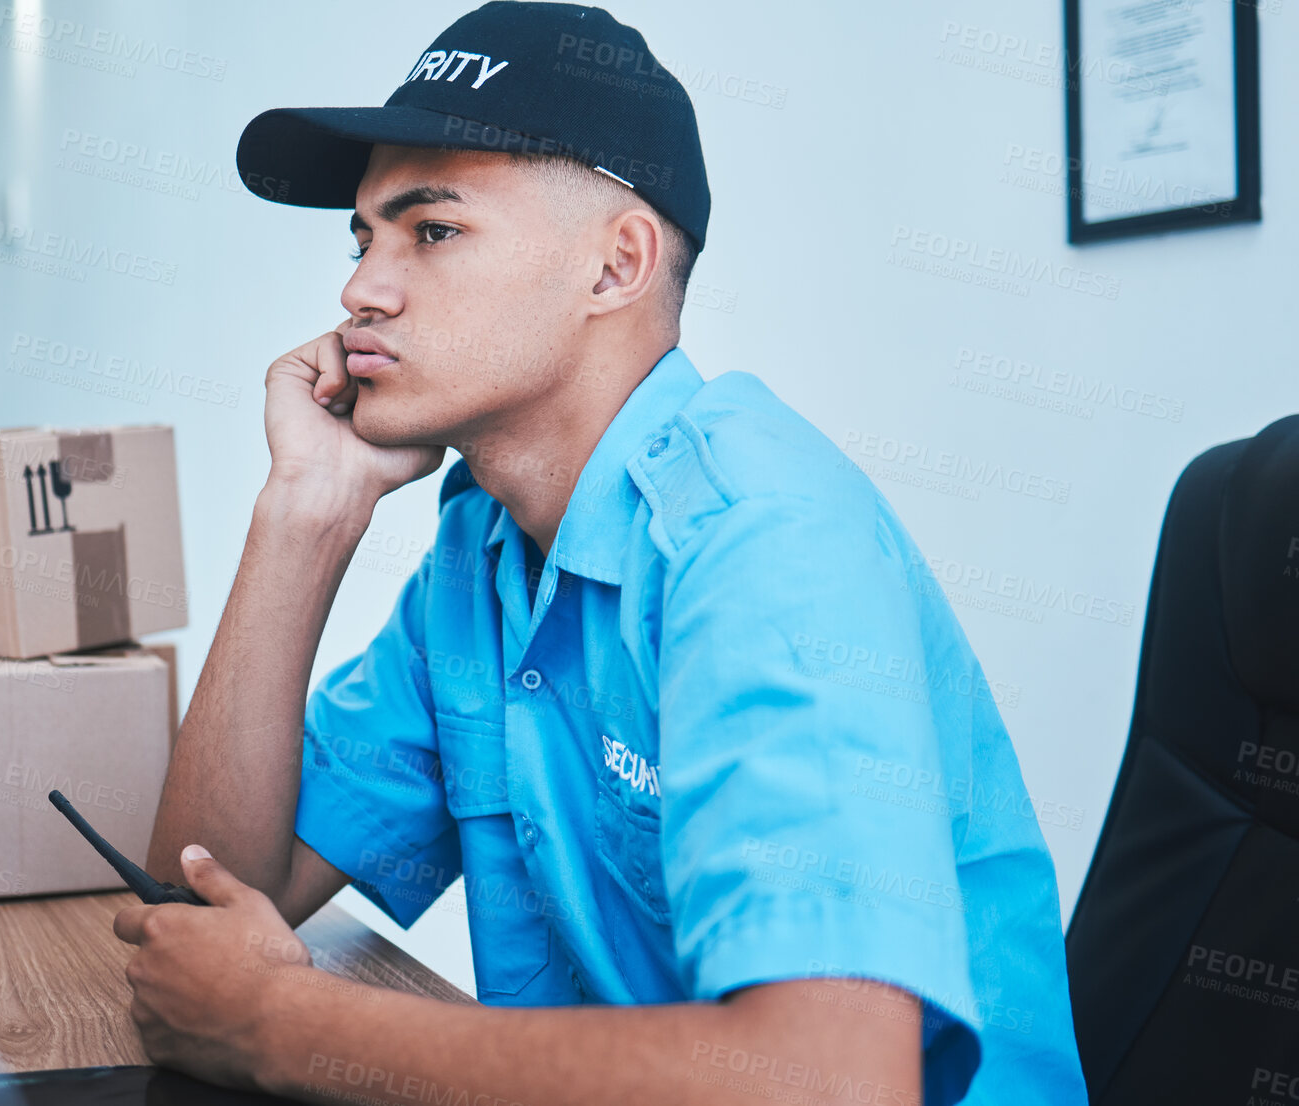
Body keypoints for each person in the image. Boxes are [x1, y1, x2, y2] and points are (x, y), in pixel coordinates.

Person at [125, 4, 1087, 1103]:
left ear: (614, 266)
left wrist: (280, 1023)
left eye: (429, 231)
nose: (360, 291)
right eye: (362, 238)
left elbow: (828, 1079)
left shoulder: (761, 543)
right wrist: (304, 512)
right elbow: (208, 903)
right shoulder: (480, 548)